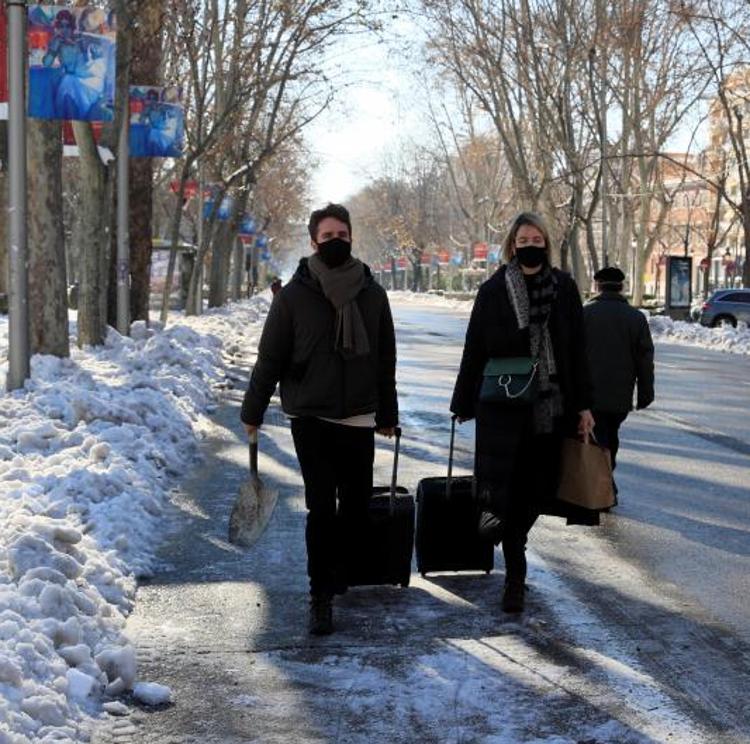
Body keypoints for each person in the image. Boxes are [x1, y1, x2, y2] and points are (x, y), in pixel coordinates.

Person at [241, 203, 398, 636]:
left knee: (355, 505)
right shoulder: (294, 296)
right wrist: (252, 412)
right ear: (314, 241)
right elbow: (270, 357)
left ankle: (339, 569)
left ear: (352, 236)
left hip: (360, 416)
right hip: (310, 415)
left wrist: (388, 412)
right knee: (321, 507)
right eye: (327, 236)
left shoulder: (372, 293)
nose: (335, 241)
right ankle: (320, 594)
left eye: (341, 234)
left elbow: (386, 358)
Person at [451, 212, 595, 614]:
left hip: (551, 407)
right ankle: (515, 573)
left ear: (545, 244)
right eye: (522, 239)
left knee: (539, 489)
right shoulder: (493, 289)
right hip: (503, 406)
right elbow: (474, 348)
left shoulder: (564, 288)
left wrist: (584, 405)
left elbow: (578, 351)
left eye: (536, 239)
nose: (530, 245)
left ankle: (514, 537)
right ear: (512, 245)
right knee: (504, 490)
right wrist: (462, 400)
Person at [583, 266, 654, 500]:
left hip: (589, 394)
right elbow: (645, 360)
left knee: (598, 437)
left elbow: (571, 355)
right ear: (622, 287)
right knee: (609, 436)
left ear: (597, 285)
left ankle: (602, 488)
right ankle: (605, 485)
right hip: (620, 395)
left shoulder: (585, 314)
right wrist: (645, 393)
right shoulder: (636, 318)